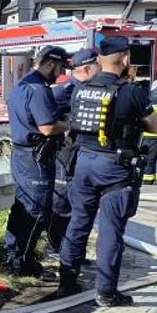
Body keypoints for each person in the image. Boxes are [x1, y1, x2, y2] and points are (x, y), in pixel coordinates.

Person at [58, 35, 157, 307]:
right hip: (115, 168)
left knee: (78, 220)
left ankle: (67, 283)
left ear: (99, 60)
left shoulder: (81, 89)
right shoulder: (131, 92)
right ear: (126, 58)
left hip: (83, 163)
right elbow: (155, 127)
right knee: (111, 231)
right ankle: (106, 292)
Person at [2, 45, 70, 280]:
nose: (61, 74)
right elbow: (47, 127)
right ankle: (23, 263)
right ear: (50, 64)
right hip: (36, 157)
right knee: (36, 211)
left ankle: (11, 254)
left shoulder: (22, 85)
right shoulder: (39, 89)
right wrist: (70, 125)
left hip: (21, 154)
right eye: (60, 68)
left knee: (22, 206)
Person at [49, 47, 101, 256]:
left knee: (81, 207)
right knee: (62, 205)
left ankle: (72, 252)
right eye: (99, 65)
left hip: (83, 156)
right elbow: (44, 118)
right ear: (88, 67)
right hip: (66, 156)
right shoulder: (67, 90)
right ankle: (58, 248)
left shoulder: (92, 87)